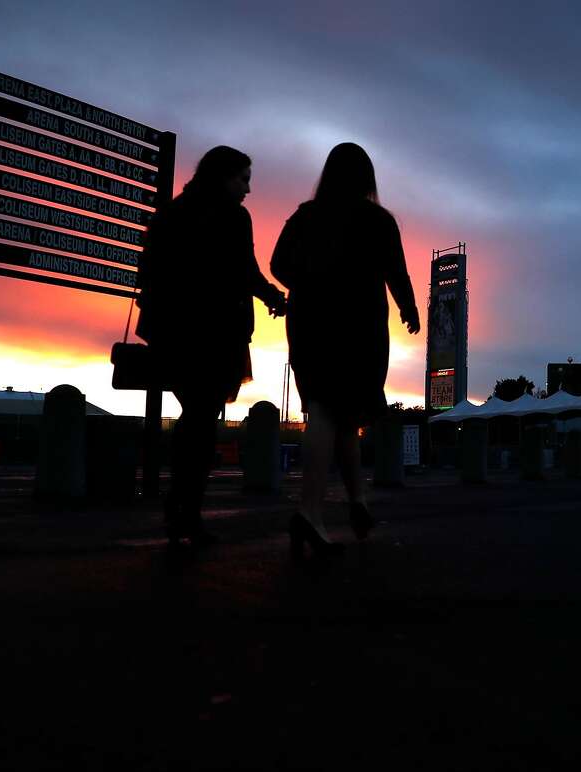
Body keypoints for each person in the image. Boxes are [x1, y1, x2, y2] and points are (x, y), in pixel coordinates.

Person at [270, 142, 420, 559]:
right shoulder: (378, 221)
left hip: (310, 323)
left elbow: (278, 264)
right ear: (368, 178)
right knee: (340, 412)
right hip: (360, 326)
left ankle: (356, 503)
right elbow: (397, 272)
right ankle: (310, 512)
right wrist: (408, 310)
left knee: (330, 410)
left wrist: (310, 282)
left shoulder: (305, 217)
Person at [135, 145, 286, 550]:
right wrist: (273, 297)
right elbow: (246, 270)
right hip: (217, 334)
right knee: (202, 423)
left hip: (177, 335)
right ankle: (186, 512)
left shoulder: (173, 213)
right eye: (243, 179)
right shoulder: (235, 217)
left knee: (195, 419)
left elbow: (149, 273)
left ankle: (181, 509)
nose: (248, 189)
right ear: (224, 177)